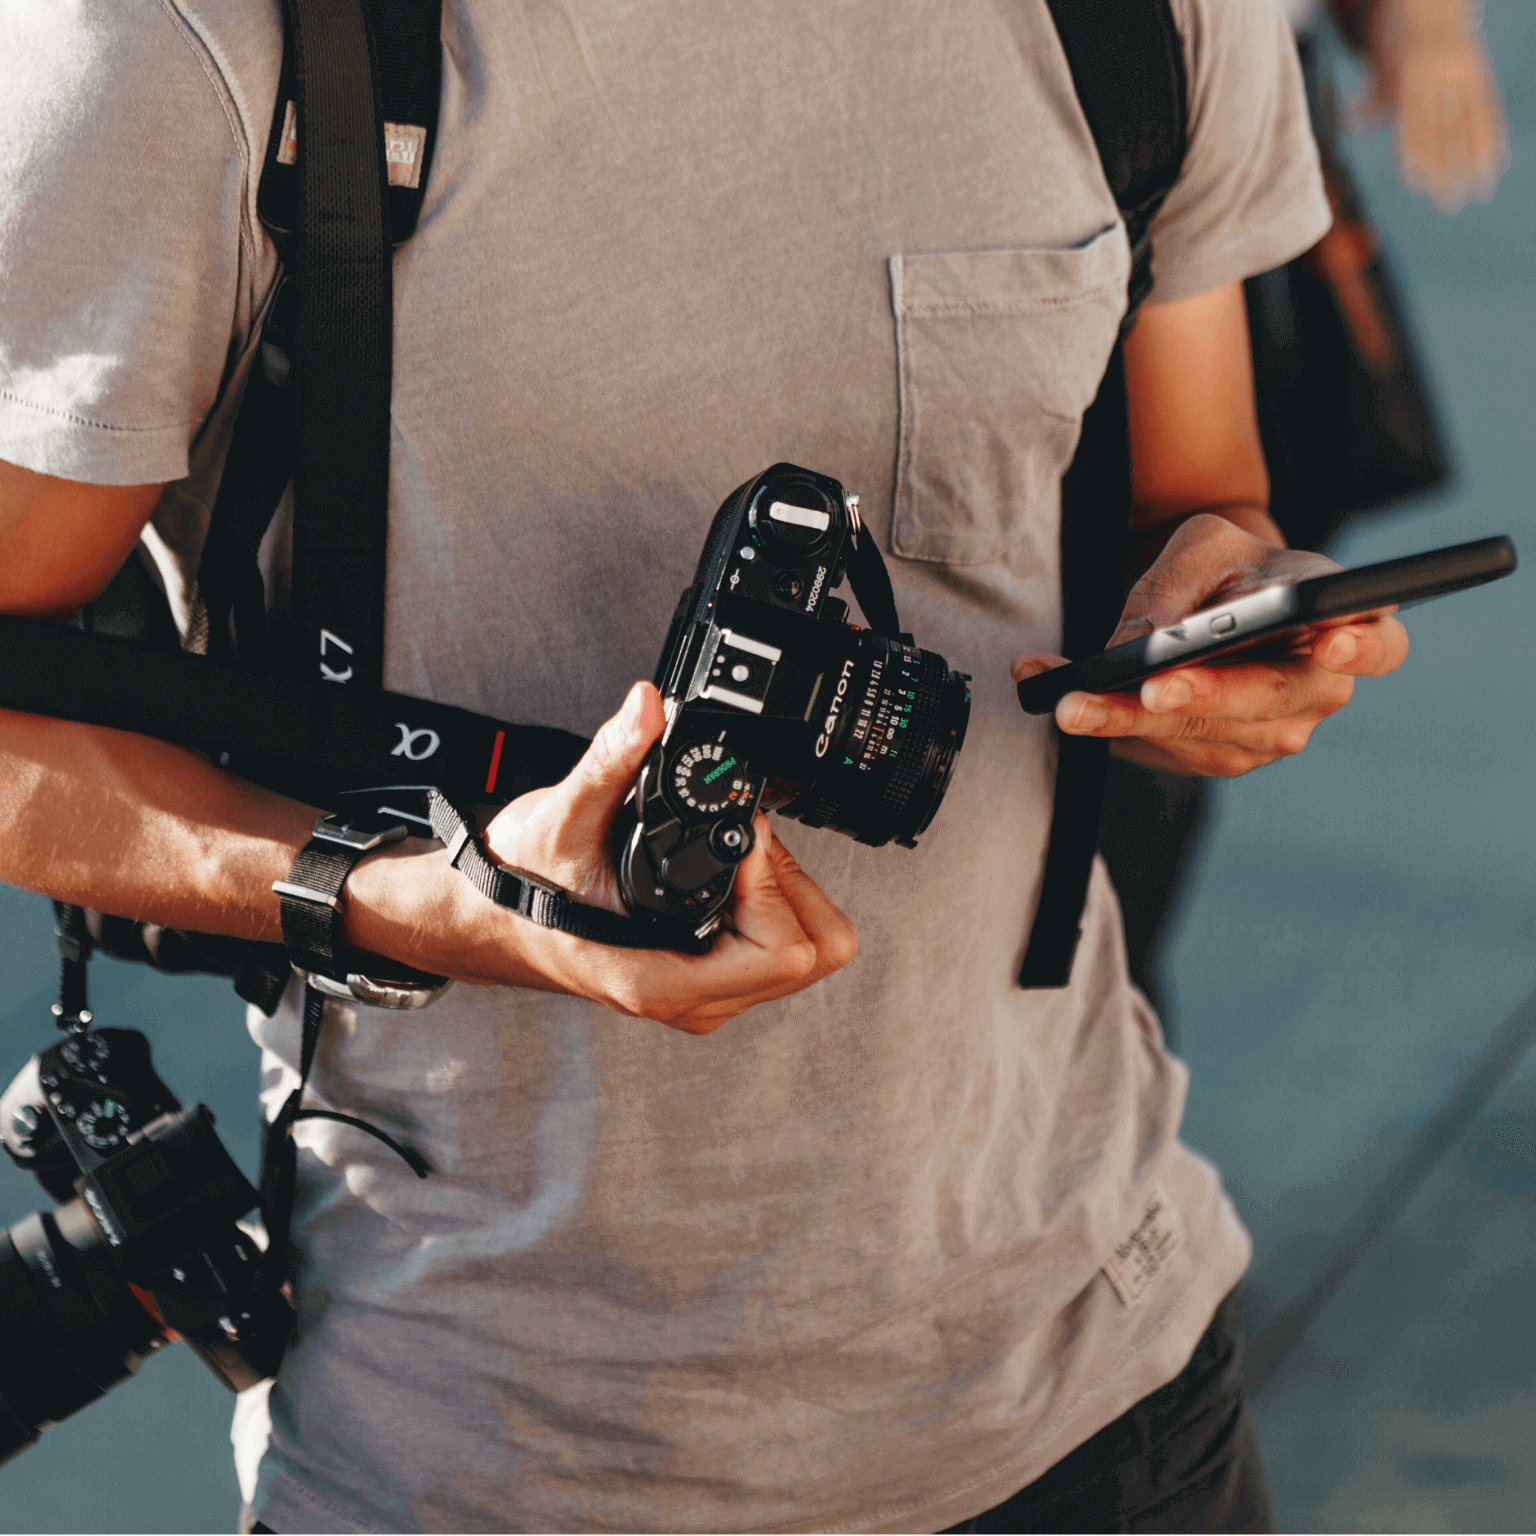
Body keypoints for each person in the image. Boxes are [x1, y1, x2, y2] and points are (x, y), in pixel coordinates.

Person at [0, 1, 1409, 1530]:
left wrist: (1227, 623)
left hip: (1104, 1374)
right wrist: (431, 904)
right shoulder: (188, 33)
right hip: (487, 1447)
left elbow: (1203, 496)